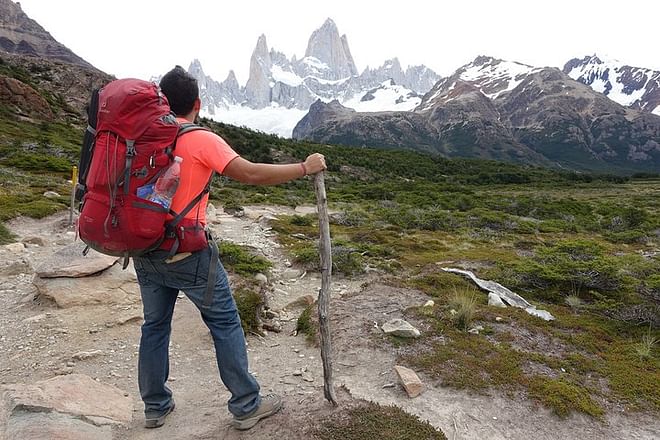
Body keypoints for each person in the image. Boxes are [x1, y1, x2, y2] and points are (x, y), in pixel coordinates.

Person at [132, 65, 326, 431]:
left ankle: (155, 406)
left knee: (154, 326)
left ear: (162, 102)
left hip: (144, 247)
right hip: (188, 252)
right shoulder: (200, 138)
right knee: (224, 323)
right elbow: (250, 174)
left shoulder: (143, 136)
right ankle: (246, 404)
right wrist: (304, 166)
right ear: (198, 104)